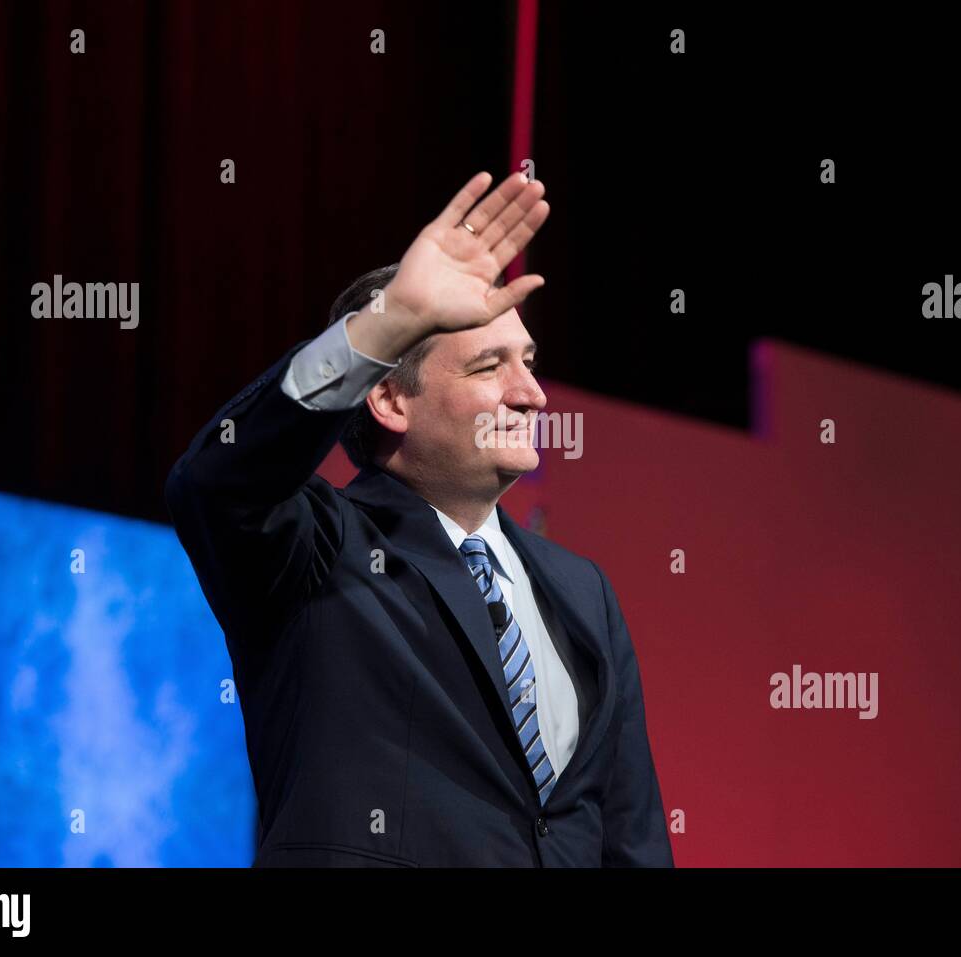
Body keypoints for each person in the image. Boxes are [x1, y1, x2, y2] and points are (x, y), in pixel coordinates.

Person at [165, 171, 673, 866]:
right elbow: (216, 481)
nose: (530, 394)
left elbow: (632, 841)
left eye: (529, 362)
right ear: (389, 401)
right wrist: (389, 322)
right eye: (489, 366)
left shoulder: (584, 591)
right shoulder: (315, 549)